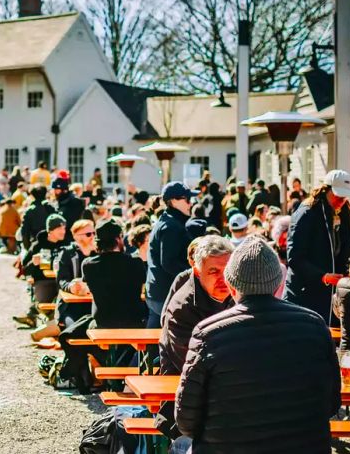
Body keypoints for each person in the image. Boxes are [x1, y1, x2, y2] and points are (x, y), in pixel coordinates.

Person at [174, 236, 340, 453]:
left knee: (179, 445)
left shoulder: (208, 334)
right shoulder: (315, 325)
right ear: (278, 284)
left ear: (232, 286)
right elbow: (331, 403)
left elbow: (186, 420)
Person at [155, 236, 234, 439]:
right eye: (213, 271)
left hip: (228, 394)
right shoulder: (182, 308)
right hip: (187, 404)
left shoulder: (237, 296)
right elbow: (193, 367)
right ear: (197, 272)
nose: (222, 278)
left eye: (227, 271)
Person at [58, 219, 146, 392]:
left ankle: (94, 372)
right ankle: (113, 371)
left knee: (76, 331)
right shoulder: (135, 263)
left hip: (102, 322)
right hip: (134, 322)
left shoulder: (88, 265)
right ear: (119, 239)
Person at [286, 169, 350, 325]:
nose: (341, 200)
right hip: (304, 293)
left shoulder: (343, 211)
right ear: (326, 190)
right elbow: (295, 258)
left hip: (331, 292)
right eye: (337, 195)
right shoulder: (306, 213)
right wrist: (322, 276)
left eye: (344, 197)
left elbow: (344, 249)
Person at [145, 182, 193, 328]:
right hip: (165, 294)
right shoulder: (171, 226)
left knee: (155, 343)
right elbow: (169, 263)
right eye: (187, 199)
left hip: (158, 291)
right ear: (173, 201)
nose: (191, 204)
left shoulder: (168, 221)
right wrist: (194, 274)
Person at [13, 214, 68, 328]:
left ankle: (39, 318)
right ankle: (40, 317)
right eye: (60, 228)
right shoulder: (38, 245)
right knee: (43, 302)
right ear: (51, 230)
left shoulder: (66, 245)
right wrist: (34, 263)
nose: (63, 231)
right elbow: (24, 268)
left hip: (62, 280)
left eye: (64, 228)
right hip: (43, 280)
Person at [20, 185, 55, 250]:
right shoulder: (51, 207)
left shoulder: (29, 211)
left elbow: (25, 232)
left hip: (36, 244)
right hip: (52, 243)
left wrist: (28, 249)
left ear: (32, 196)